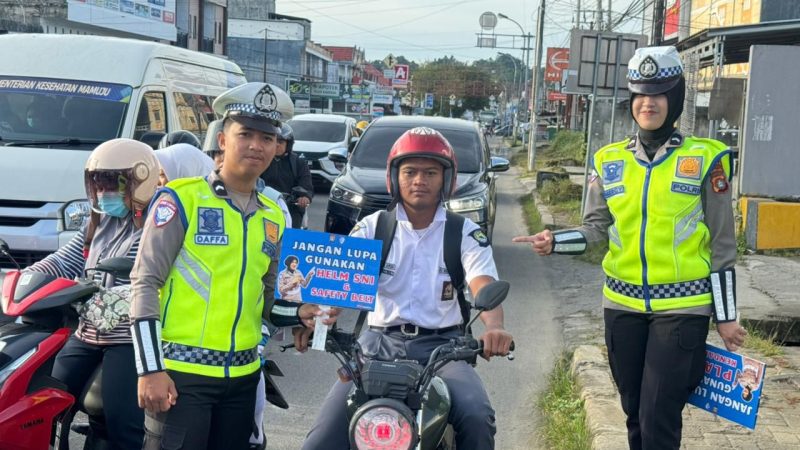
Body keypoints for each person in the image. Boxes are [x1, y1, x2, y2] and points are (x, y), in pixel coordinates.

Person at [513, 46, 747, 450]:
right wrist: (555, 241)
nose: (648, 102)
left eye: (659, 93)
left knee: (659, 415)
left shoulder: (706, 159)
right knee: (634, 411)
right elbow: (595, 229)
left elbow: (724, 246)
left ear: (675, 98)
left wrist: (726, 318)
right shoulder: (608, 161)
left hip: (683, 309)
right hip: (621, 307)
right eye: (640, 93)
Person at [129, 82, 335, 450]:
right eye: (246, 134)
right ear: (223, 140)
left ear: (277, 147)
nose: (256, 145)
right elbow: (144, 283)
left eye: (267, 138)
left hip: (243, 378)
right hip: (181, 376)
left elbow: (270, 292)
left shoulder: (274, 215)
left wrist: (301, 312)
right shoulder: (180, 199)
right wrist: (150, 368)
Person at [301, 127, 514, 450]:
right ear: (394, 177)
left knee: (476, 415)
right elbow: (336, 286)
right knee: (321, 441)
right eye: (410, 171)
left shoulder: (464, 233)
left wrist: (494, 328)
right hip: (375, 345)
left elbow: (482, 282)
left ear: (447, 179)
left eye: (430, 172)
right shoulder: (373, 228)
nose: (419, 180)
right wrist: (317, 319)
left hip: (444, 349)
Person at [25, 138, 160, 449]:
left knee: (122, 422)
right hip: (87, 331)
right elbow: (66, 259)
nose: (103, 191)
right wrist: (25, 279)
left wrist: (83, 294)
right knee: (41, 398)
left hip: (128, 337)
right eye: (98, 182)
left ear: (140, 179)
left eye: (113, 182)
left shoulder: (155, 223)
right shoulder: (99, 221)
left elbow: (139, 275)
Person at [259, 123, 313, 228]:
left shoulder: (298, 162)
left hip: (290, 208)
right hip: (262, 205)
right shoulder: (259, 159)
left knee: (292, 238)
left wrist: (304, 197)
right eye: (273, 140)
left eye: (281, 141)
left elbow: (307, 186)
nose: (277, 144)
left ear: (288, 144)